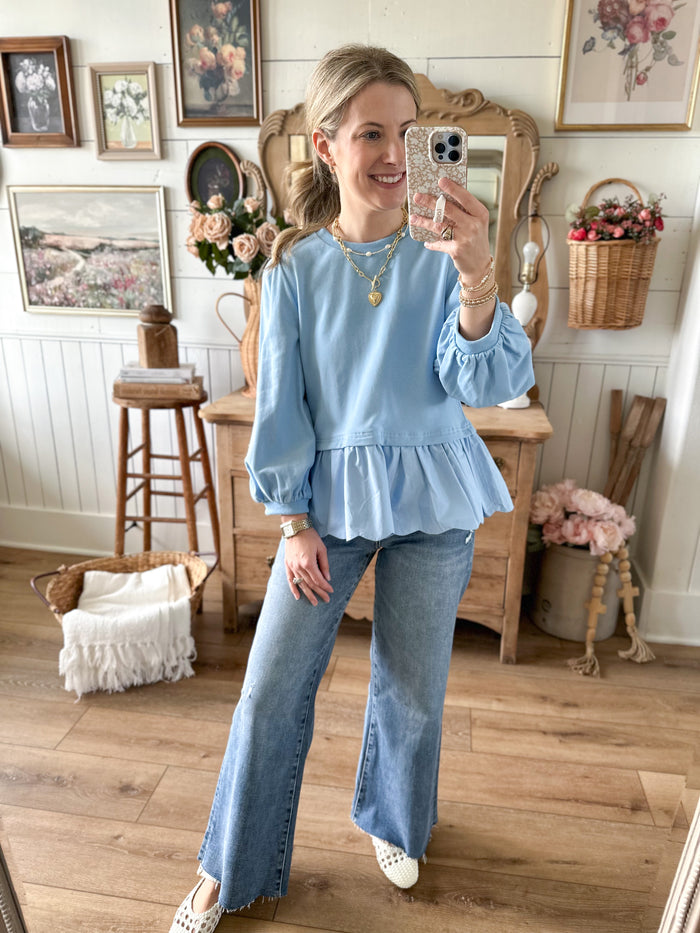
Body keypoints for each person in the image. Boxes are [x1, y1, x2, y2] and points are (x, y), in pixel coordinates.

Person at [169, 43, 534, 932]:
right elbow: (282, 403)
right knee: (268, 687)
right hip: (327, 510)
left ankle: (394, 819)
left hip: (434, 499)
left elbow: (485, 383)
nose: (389, 151)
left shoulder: (444, 252)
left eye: (408, 134)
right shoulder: (293, 267)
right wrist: (291, 520)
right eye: (371, 131)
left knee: (414, 684)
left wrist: (479, 269)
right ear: (327, 146)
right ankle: (230, 864)